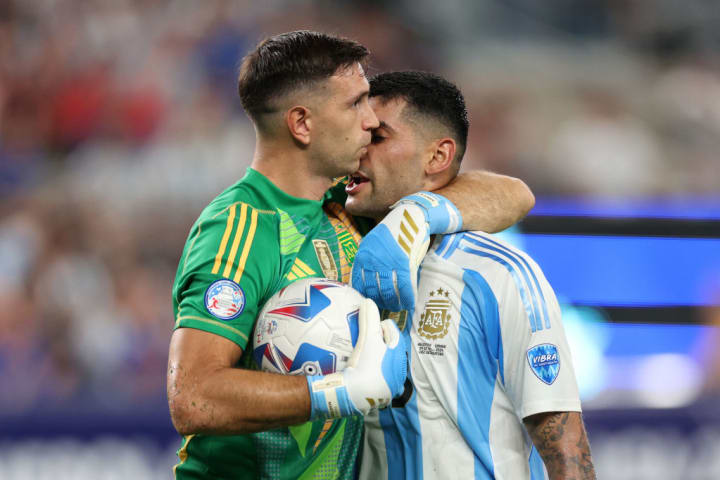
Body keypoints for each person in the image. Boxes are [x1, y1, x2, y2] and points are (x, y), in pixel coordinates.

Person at [167, 31, 535, 479]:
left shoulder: (350, 205)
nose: (370, 121)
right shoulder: (240, 229)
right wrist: (338, 392)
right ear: (302, 124)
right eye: (355, 104)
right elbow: (193, 396)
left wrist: (418, 214)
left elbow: (513, 194)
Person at [346, 71, 596, 479]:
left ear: (437, 157)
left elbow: (567, 449)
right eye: (359, 135)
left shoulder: (500, 276)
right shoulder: (335, 260)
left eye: (378, 138)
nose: (358, 150)